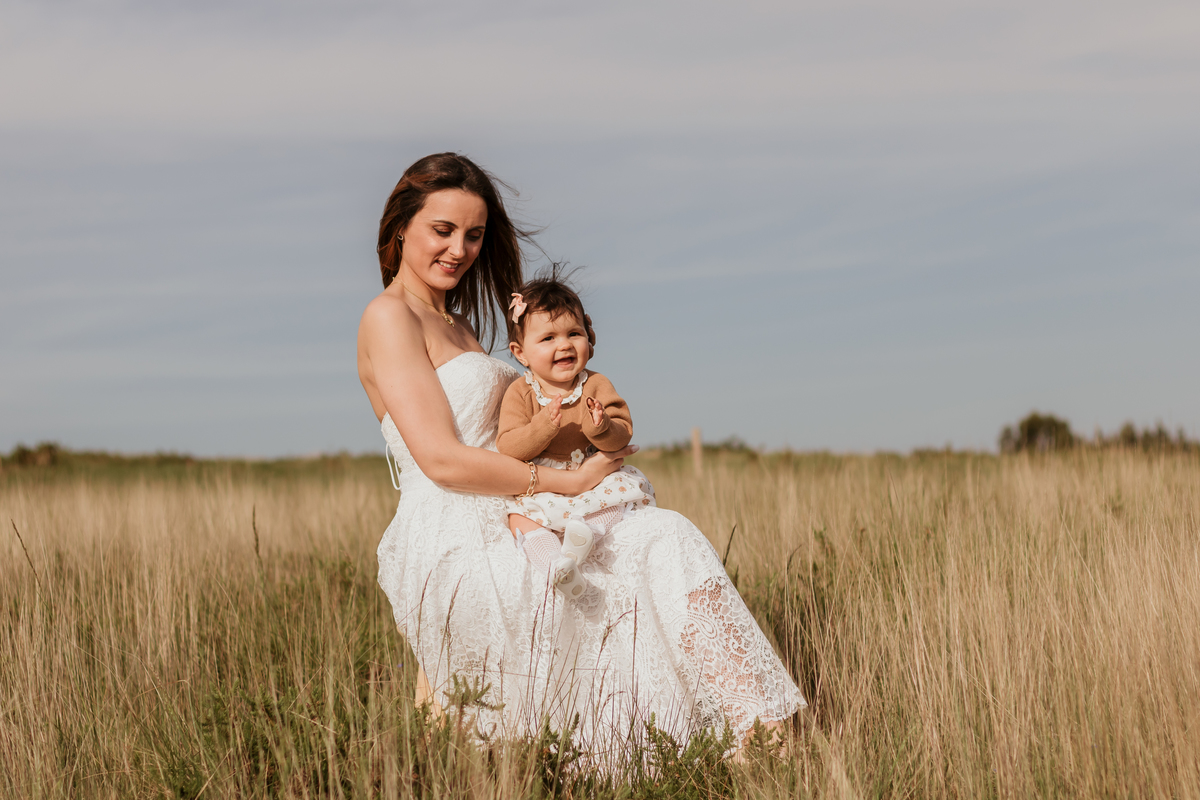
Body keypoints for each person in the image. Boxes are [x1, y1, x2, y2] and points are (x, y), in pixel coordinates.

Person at [357, 152, 804, 756]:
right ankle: (621, 751)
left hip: (518, 507)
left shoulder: (458, 324)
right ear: (400, 227)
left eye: (474, 234)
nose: (459, 249)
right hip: (455, 523)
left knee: (663, 536)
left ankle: (757, 733)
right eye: (442, 230)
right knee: (578, 584)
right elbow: (441, 461)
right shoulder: (389, 318)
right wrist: (562, 485)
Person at [497, 272, 655, 600]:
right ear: (520, 352)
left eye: (574, 333)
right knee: (518, 519)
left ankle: (588, 533)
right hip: (546, 484)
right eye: (548, 338)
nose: (564, 344)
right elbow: (508, 446)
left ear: (589, 338)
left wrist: (601, 427)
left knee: (626, 490)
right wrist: (542, 426)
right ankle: (558, 566)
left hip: (594, 480)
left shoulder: (595, 385)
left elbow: (621, 436)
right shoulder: (520, 393)